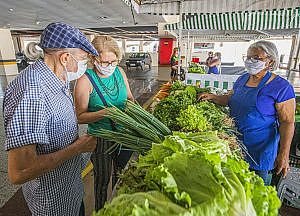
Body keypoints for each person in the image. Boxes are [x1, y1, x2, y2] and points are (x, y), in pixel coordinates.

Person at [3, 22, 98, 216]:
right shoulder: (32, 91)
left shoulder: (59, 80)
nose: (84, 66)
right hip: (54, 205)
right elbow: (20, 171)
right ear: (65, 57)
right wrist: (77, 148)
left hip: (71, 191)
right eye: (82, 59)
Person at [199, 40, 295, 185]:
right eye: (248, 57)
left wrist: (284, 154)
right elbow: (231, 99)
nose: (251, 61)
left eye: (256, 58)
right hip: (234, 145)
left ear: (270, 62)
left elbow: (287, 122)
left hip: (259, 150)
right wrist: (214, 97)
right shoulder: (242, 79)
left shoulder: (281, 87)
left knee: (255, 192)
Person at [74, 35, 134, 210]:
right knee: (102, 180)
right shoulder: (85, 81)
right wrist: (104, 113)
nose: (109, 66)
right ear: (94, 59)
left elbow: (129, 99)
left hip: (124, 136)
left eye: (113, 61)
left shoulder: (119, 72)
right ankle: (101, 210)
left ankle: (119, 209)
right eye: (104, 62)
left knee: (122, 175)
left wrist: (141, 116)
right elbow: (79, 116)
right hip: (101, 139)